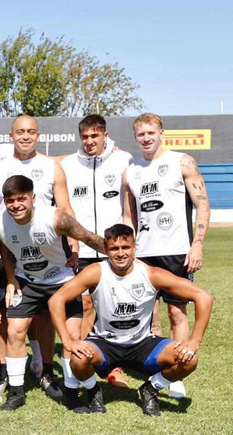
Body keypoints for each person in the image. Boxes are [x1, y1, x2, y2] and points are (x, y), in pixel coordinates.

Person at [48, 224, 213, 416]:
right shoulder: (96, 271)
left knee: (189, 360)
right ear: (105, 250)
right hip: (105, 343)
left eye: (125, 247)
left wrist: (195, 340)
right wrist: (67, 341)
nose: (120, 253)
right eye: (114, 248)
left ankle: (150, 389)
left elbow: (204, 297)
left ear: (135, 248)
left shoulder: (151, 274)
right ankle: (93, 391)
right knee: (78, 359)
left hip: (143, 344)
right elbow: (56, 300)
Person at [0, 175, 105, 412]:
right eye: (10, 200)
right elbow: (4, 250)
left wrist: (122, 258)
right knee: (14, 331)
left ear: (33, 198)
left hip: (61, 281)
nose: (16, 205)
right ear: (5, 201)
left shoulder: (56, 218)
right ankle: (16, 392)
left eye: (22, 199)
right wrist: (12, 278)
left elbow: (89, 238)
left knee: (72, 336)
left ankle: (71, 394)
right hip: (27, 282)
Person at [0, 114, 77, 387]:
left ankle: (45, 370)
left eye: (30, 131)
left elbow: (65, 207)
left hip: (50, 256)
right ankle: (6, 372)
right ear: (10, 136)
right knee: (7, 314)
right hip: (10, 256)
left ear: (38, 135)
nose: (25, 136)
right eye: (19, 132)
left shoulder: (52, 167)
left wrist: (75, 241)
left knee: (46, 316)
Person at [123, 112, 211, 398]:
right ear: (135, 137)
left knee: (177, 312)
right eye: (141, 134)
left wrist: (197, 243)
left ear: (161, 132)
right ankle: (153, 365)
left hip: (176, 251)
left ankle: (176, 372)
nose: (146, 138)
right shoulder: (130, 171)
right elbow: (128, 216)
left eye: (151, 132)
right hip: (143, 254)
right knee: (148, 316)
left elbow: (202, 204)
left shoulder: (181, 162)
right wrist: (127, 251)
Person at [60, 114, 134, 388]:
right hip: (79, 248)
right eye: (85, 137)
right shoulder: (68, 164)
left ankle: (113, 366)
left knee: (112, 307)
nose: (90, 142)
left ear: (105, 135)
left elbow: (130, 204)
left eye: (95, 136)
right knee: (84, 306)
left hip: (112, 248)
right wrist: (72, 240)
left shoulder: (123, 159)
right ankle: (82, 358)